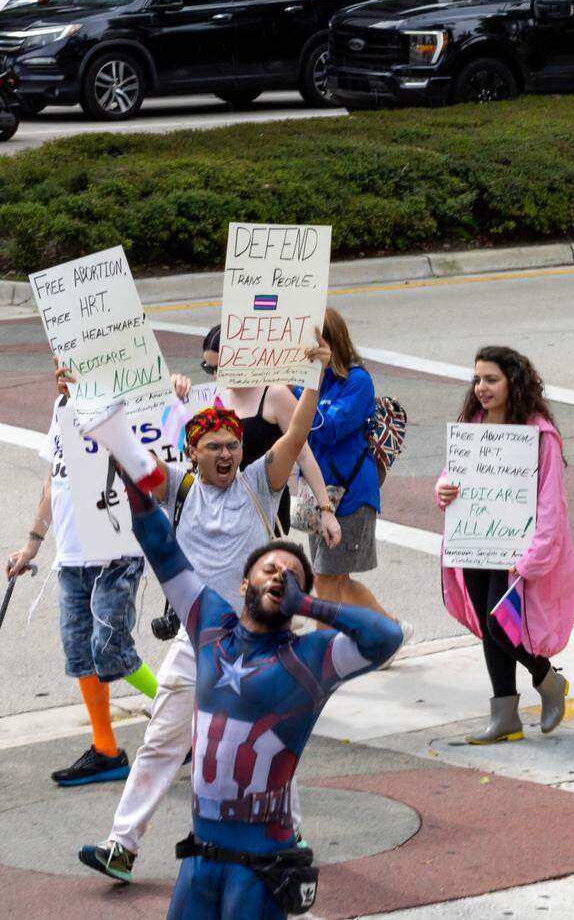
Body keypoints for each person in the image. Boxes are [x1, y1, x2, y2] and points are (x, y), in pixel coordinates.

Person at [78, 332, 332, 884]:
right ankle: (120, 845)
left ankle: (289, 836)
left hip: (260, 646)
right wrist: (89, 403)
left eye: (232, 445)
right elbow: (132, 460)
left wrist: (314, 375)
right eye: (213, 446)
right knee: (160, 744)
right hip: (195, 646)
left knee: (271, 746)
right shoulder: (176, 487)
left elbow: (296, 433)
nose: (225, 454)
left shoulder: (260, 483)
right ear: (192, 451)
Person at [119, 464, 402, 919]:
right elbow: (160, 546)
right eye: (270, 568)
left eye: (292, 576)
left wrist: (309, 604)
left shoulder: (311, 658)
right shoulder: (210, 624)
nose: (280, 577)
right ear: (243, 583)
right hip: (198, 861)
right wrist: (133, 480)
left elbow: (386, 638)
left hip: (261, 872)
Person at [5, 364, 158, 787]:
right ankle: (106, 748)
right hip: (72, 554)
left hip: (116, 549)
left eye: (68, 366)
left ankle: (186, 717)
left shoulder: (123, 405)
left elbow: (155, 451)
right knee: (81, 653)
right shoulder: (61, 408)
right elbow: (55, 477)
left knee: (110, 647)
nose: (59, 373)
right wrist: (33, 543)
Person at [436, 346, 574, 744]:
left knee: (503, 625)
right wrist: (443, 488)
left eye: (491, 379)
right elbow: (451, 473)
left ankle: (547, 679)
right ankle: (504, 715)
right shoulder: (472, 422)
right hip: (475, 541)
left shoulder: (540, 433)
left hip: (517, 553)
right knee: (487, 624)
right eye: (477, 379)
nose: (481, 387)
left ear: (513, 380)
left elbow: (551, 502)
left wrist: (533, 558)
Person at [297, 309, 410, 654]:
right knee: (331, 578)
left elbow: (327, 429)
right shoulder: (307, 378)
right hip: (319, 493)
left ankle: (321, 657)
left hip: (350, 494)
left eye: (316, 341)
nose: (309, 349)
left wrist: (314, 379)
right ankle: (391, 632)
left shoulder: (358, 382)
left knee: (329, 578)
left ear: (332, 341)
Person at [174, 325, 341, 545]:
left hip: (263, 508)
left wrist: (326, 509)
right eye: (209, 368)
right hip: (223, 512)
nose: (216, 375)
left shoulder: (274, 394)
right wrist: (174, 389)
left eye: (221, 368)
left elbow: (304, 455)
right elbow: (183, 446)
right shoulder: (211, 396)